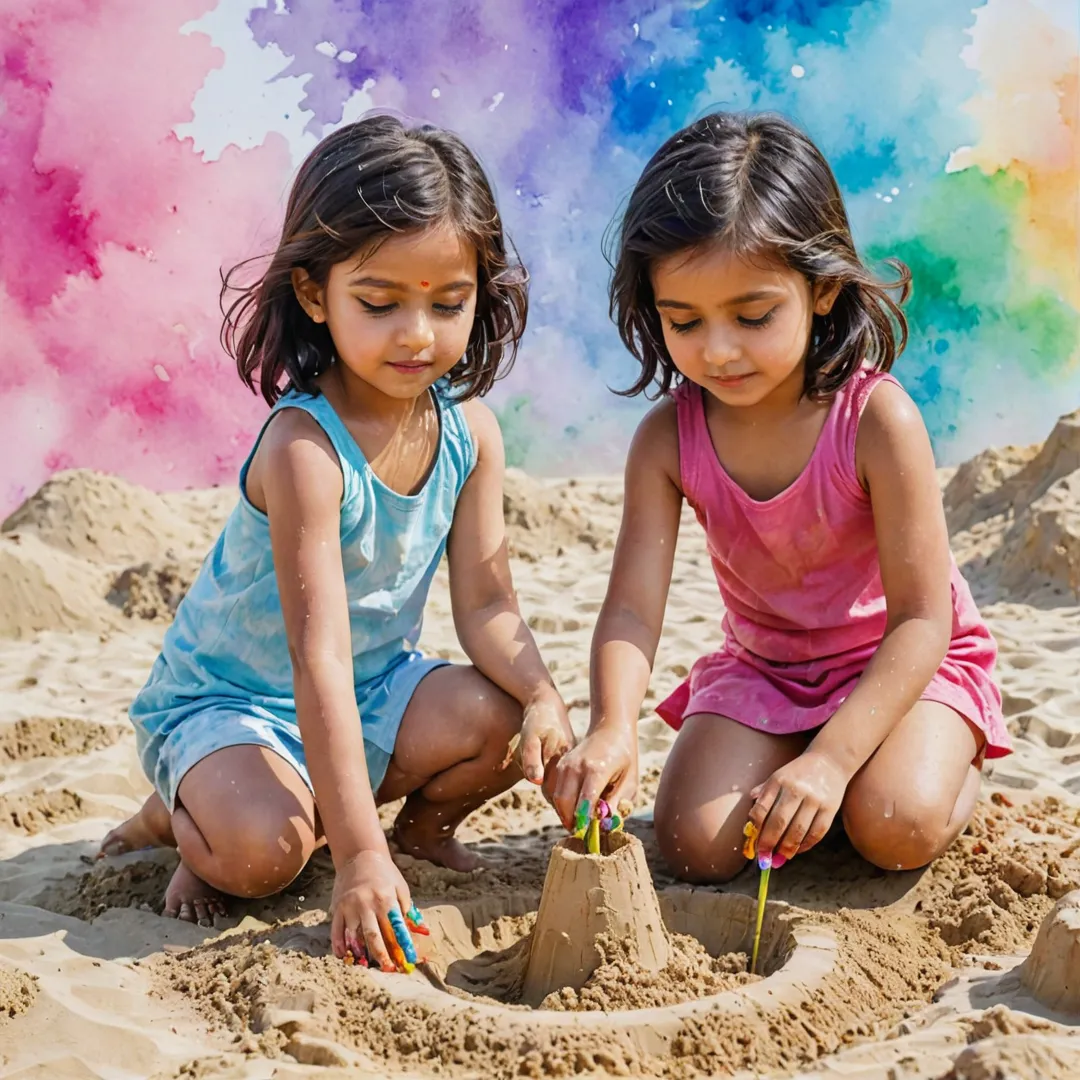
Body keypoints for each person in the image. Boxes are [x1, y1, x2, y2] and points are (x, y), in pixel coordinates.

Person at [98, 115, 574, 970]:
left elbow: (490, 604)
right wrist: (357, 858)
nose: (418, 334)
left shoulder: (471, 433)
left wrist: (543, 694)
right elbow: (313, 658)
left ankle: (419, 832)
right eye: (381, 303)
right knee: (259, 856)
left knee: (501, 720)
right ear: (316, 294)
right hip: (237, 704)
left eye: (448, 303)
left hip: (373, 685)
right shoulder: (305, 450)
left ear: (481, 292)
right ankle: (176, 814)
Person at [551, 111, 1009, 882]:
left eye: (753, 315)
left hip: (899, 665)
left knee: (892, 823)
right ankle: (813, 766)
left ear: (823, 288)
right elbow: (632, 611)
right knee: (694, 846)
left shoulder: (876, 421)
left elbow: (923, 620)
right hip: (766, 671)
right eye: (684, 321)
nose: (718, 349)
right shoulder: (668, 439)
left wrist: (832, 762)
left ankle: (945, 760)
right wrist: (612, 726)